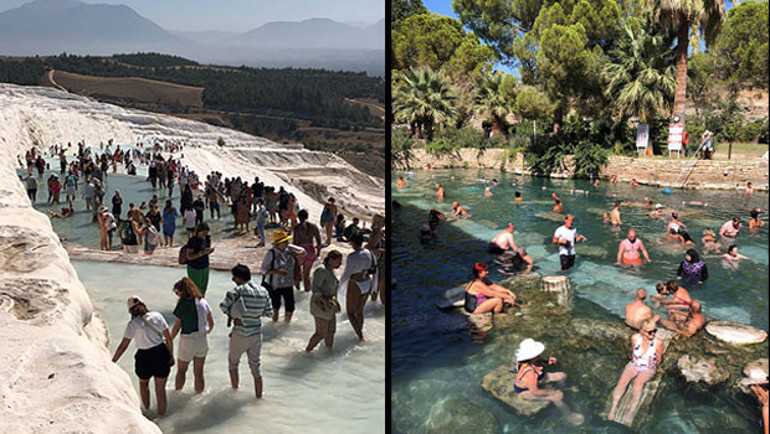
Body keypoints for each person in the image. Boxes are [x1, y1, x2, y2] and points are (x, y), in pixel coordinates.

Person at [111, 296, 174, 416]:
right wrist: (171, 355)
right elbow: (169, 338)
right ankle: (162, 418)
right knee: (160, 389)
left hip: (144, 357)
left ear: (130, 311)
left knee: (144, 385)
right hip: (161, 352)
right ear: (144, 305)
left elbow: (123, 346)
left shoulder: (133, 324)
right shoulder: (157, 316)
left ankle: (147, 413)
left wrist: (113, 361)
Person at [219, 264, 273, 399]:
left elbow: (223, 306)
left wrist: (234, 316)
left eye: (233, 278)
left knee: (233, 364)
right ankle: (259, 397)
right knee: (256, 367)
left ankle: (234, 392)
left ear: (238, 278)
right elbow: (269, 313)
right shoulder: (263, 291)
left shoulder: (237, 291)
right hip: (256, 333)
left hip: (240, 333)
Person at [607, 320, 665, 425]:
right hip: (634, 364)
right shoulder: (635, 338)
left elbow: (659, 359)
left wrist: (653, 362)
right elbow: (633, 352)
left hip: (648, 367)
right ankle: (613, 407)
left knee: (637, 383)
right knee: (621, 383)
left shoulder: (658, 342)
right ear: (642, 331)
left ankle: (632, 410)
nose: (653, 334)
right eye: (650, 332)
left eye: (654, 331)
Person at [513, 338, 583, 425]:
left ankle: (564, 388)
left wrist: (547, 361)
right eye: (536, 355)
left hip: (538, 379)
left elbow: (539, 361)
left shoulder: (530, 360)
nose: (539, 355)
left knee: (562, 375)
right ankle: (567, 414)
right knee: (555, 397)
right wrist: (551, 392)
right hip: (526, 391)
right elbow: (534, 391)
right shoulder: (529, 372)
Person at [170, 277, 213, 393]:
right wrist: (205, 332)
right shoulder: (203, 302)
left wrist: (168, 340)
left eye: (177, 292)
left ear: (182, 291)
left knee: (182, 371)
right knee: (199, 372)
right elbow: (211, 324)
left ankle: (177, 395)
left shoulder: (183, 305)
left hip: (188, 340)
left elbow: (176, 328)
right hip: (202, 339)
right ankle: (199, 396)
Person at [338, 233, 377, 341]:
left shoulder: (352, 256)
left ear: (353, 243)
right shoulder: (370, 253)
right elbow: (374, 269)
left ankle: (360, 337)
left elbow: (347, 273)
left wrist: (340, 284)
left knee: (350, 312)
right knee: (359, 311)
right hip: (367, 283)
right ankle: (359, 331)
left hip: (356, 283)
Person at [261, 230, 304, 323]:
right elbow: (263, 270)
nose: (287, 243)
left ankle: (286, 325)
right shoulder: (271, 253)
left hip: (288, 283)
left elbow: (304, 252)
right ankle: (274, 325)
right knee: (275, 307)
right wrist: (277, 272)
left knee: (290, 307)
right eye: (285, 242)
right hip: (275, 285)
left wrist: (297, 253)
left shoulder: (289, 250)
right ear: (278, 243)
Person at [306, 250, 343, 352]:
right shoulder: (321, 270)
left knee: (331, 331)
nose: (340, 264)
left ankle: (328, 352)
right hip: (320, 306)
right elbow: (315, 289)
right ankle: (307, 352)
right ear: (330, 260)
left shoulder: (330, 269)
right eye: (338, 262)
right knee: (320, 333)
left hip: (330, 305)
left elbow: (332, 289)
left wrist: (336, 303)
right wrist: (325, 301)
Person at [293, 209, 323, 292]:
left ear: (299, 217)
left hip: (300, 250)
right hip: (310, 250)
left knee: (297, 274)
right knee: (306, 275)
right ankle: (307, 292)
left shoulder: (297, 228)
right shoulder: (314, 226)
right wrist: (318, 254)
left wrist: (293, 253)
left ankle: (298, 293)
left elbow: (295, 242)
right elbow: (319, 241)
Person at [184, 223, 214, 295]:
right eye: (203, 233)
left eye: (206, 233)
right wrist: (202, 253)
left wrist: (209, 251)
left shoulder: (207, 239)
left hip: (205, 266)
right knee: (195, 289)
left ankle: (201, 304)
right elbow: (189, 256)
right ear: (198, 232)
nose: (204, 235)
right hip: (194, 268)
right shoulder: (192, 241)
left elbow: (205, 251)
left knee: (203, 288)